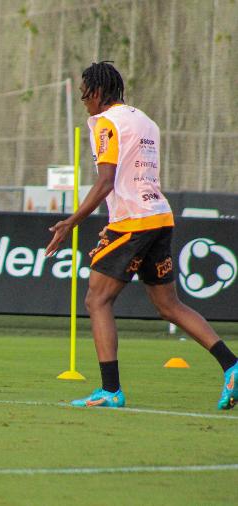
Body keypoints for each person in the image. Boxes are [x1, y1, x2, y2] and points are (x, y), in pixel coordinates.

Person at [45, 62, 237, 410]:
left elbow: (106, 181)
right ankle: (232, 364)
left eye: (84, 93)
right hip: (158, 217)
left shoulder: (106, 124)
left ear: (98, 92)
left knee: (97, 300)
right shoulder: (145, 120)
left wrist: (71, 221)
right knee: (168, 305)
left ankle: (110, 390)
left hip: (134, 222)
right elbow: (134, 177)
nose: (83, 100)